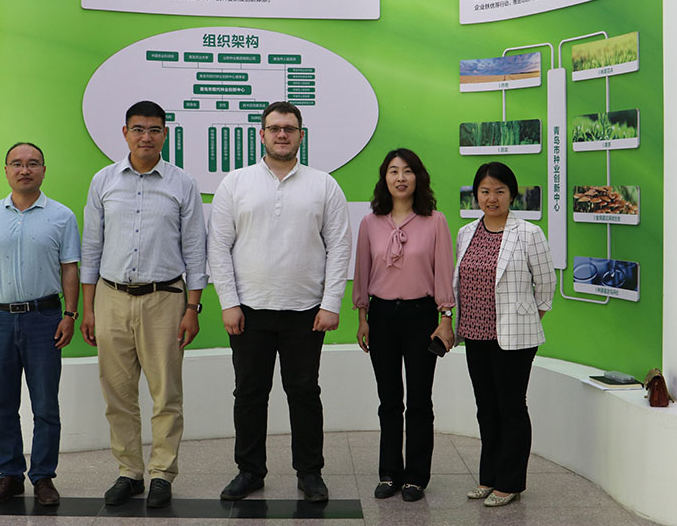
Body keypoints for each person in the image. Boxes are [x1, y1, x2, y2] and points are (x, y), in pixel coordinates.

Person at [208, 101, 352, 503]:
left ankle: (310, 472)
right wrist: (228, 302)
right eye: (274, 128)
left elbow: (340, 246)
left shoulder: (324, 185)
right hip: (249, 310)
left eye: (289, 128)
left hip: (306, 311)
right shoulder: (235, 183)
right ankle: (249, 471)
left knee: (304, 393)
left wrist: (331, 303)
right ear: (262, 135)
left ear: (301, 135)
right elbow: (218, 246)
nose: (282, 134)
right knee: (249, 394)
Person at [80, 100, 207, 509]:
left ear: (165, 134)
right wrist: (88, 308)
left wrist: (193, 308)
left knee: (166, 394)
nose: (146, 137)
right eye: (138, 129)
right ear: (125, 133)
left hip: (165, 299)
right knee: (118, 394)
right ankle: (129, 472)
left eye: (154, 129)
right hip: (111, 297)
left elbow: (195, 249)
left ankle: (162, 474)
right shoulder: (103, 181)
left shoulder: (182, 183)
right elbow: (91, 247)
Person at [0, 142, 81, 506]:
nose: (25, 170)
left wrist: (70, 315)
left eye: (33, 163)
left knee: (45, 405)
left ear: (44, 170)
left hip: (44, 319)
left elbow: (70, 269)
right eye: (16, 164)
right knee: (2, 403)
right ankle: (9, 475)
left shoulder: (62, 216)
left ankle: (43, 477)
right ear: (6, 171)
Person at [352, 148, 455, 502]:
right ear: (384, 178)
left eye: (407, 171)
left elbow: (443, 271)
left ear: (418, 177)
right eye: (393, 171)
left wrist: (446, 318)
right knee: (389, 399)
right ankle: (389, 473)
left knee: (420, 400)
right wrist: (362, 317)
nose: (400, 177)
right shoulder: (370, 223)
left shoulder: (435, 221)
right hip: (381, 316)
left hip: (422, 316)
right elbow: (362, 272)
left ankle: (416, 477)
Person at [452, 162, 554, 507]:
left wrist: (526, 318)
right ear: (476, 194)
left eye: (499, 191)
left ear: (512, 194)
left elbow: (546, 285)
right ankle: (489, 476)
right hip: (474, 333)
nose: (491, 198)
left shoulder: (528, 233)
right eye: (485, 191)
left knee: (511, 407)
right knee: (486, 407)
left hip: (514, 338)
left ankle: (510, 482)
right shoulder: (466, 232)